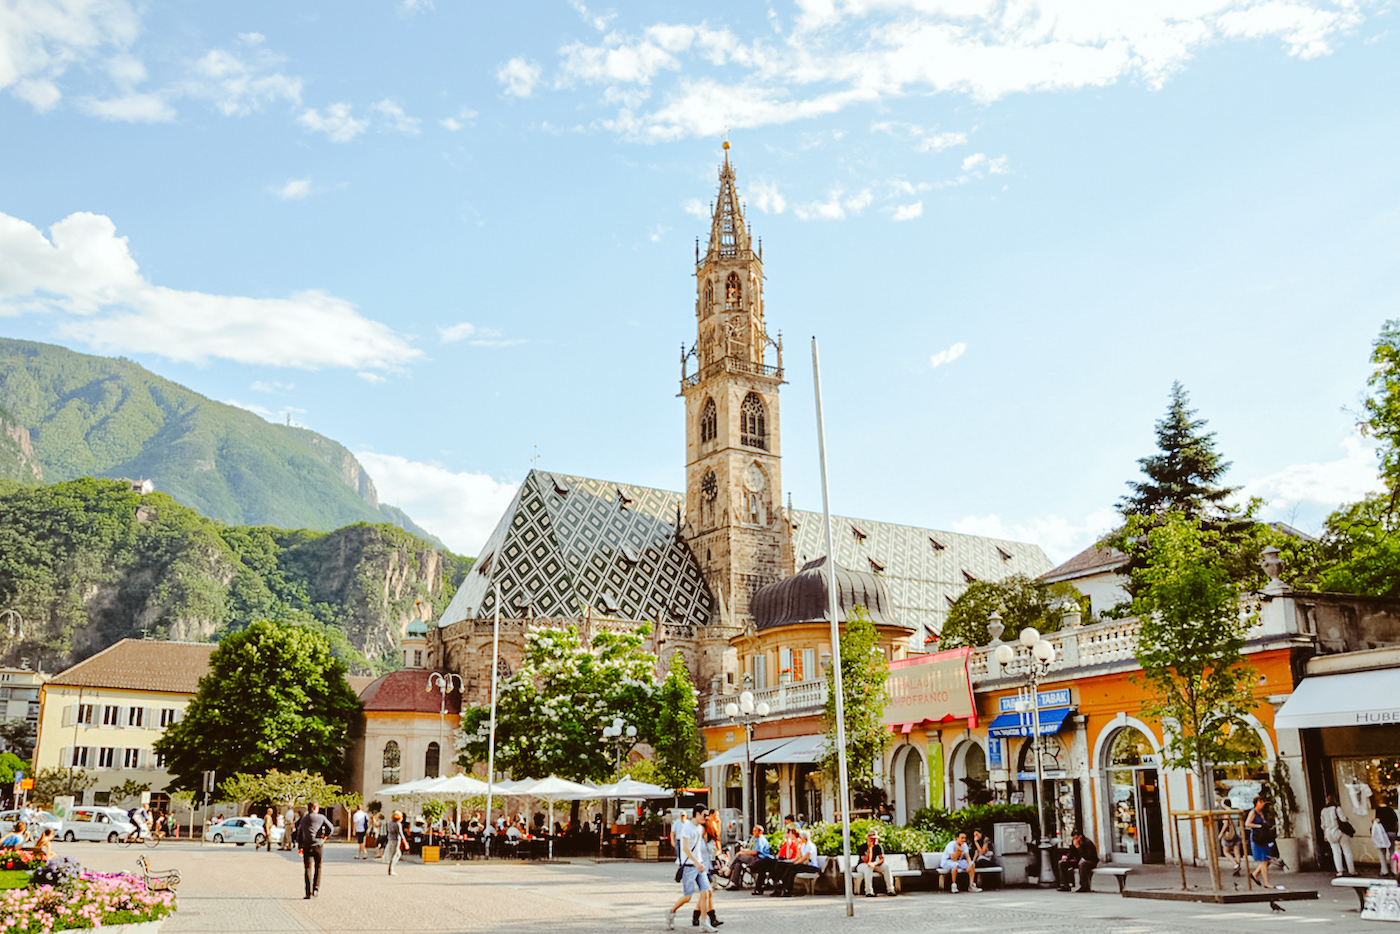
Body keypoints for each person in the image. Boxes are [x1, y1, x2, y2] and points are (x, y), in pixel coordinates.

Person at [666, 805, 718, 933]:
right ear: (698, 814)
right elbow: (685, 848)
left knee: (706, 891)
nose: (706, 817)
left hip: (699, 865)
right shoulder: (687, 828)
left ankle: (704, 922)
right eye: (704, 815)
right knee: (688, 896)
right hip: (690, 866)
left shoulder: (700, 828)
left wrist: (701, 862)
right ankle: (671, 912)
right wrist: (696, 863)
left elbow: (699, 848)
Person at [294, 800, 334, 899]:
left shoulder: (303, 819)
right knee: (318, 866)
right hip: (318, 844)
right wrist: (324, 836)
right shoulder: (321, 818)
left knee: (307, 868)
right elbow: (331, 828)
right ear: (316, 808)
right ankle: (316, 889)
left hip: (307, 845)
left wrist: (300, 847)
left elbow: (299, 833)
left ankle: (307, 892)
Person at [768, 828, 820, 897]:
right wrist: (798, 848)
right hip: (804, 864)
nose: (799, 839)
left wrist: (794, 864)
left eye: (800, 837)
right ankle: (784, 889)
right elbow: (799, 857)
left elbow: (804, 858)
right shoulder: (803, 845)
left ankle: (782, 882)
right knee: (790, 871)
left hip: (811, 866)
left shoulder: (810, 846)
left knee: (791, 867)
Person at [750, 827, 800, 896]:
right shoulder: (786, 843)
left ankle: (769, 879)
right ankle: (759, 888)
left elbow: (789, 856)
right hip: (780, 860)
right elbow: (780, 853)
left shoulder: (794, 844)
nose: (785, 834)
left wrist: (788, 845)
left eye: (787, 833)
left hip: (785, 861)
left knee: (769, 861)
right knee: (764, 866)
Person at [1245, 796, 1281, 890]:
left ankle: (1255, 873)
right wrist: (1258, 826)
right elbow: (1247, 824)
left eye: (1263, 802)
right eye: (1260, 802)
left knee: (1267, 860)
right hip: (1257, 838)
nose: (1262, 804)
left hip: (1263, 837)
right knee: (1264, 860)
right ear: (1256, 803)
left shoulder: (1261, 812)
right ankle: (1266, 882)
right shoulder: (1253, 812)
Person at [1320, 794, 1356, 876]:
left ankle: (1339, 870)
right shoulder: (1337, 808)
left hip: (1329, 833)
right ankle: (1351, 870)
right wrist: (1347, 818)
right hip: (1339, 831)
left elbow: (1323, 825)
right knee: (1347, 850)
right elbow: (1343, 819)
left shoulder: (1323, 811)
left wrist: (1325, 834)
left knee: (1336, 852)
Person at [856, 829, 894, 897]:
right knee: (869, 868)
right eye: (872, 839)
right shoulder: (862, 847)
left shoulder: (878, 847)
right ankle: (869, 891)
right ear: (868, 838)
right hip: (862, 865)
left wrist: (875, 863)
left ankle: (890, 889)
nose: (874, 840)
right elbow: (867, 861)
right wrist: (870, 849)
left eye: (876, 839)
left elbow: (882, 859)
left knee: (886, 867)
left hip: (874, 864)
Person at [1376, 794, 1399, 877]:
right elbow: (1396, 823)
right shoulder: (1391, 810)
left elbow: (1377, 821)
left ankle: (1384, 871)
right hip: (1392, 832)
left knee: (1382, 852)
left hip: (1383, 834)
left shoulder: (1379, 810)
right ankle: (1394, 870)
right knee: (1392, 852)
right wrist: (1396, 832)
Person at [1219, 802, 1244, 876]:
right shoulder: (1236, 812)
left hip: (1229, 835)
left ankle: (1235, 865)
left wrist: (1220, 834)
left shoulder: (1227, 813)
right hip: (1237, 834)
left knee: (1226, 851)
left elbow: (1226, 824)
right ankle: (1238, 869)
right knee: (1237, 852)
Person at [386, 810, 407, 876]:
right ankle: (391, 869)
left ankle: (392, 866)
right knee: (394, 854)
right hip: (396, 840)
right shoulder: (398, 824)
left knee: (398, 854)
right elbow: (400, 833)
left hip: (390, 839)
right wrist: (405, 843)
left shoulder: (389, 823)